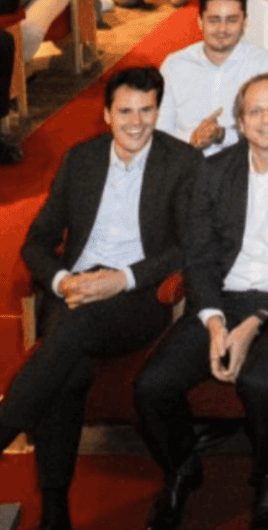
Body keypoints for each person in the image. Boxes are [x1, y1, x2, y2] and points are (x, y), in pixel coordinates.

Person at [133, 73, 268, 530]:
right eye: (255, 111)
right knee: (153, 385)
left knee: (263, 382)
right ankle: (183, 467)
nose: (265, 119)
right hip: (222, 299)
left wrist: (255, 324)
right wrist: (212, 320)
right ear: (241, 122)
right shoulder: (213, 170)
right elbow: (200, 254)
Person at [0, 68, 199, 530]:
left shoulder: (183, 162)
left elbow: (188, 246)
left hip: (137, 297)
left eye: (146, 110)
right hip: (73, 291)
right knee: (67, 370)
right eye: (125, 110)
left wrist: (123, 279)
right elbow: (36, 242)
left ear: (158, 110)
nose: (136, 121)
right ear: (106, 113)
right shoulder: (80, 159)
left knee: (69, 334)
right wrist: (64, 281)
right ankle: (55, 511)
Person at [159, 0, 268, 154]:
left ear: (245, 23)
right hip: (185, 161)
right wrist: (192, 138)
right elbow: (160, 130)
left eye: (232, 20)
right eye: (214, 20)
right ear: (200, 22)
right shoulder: (174, 65)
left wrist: (222, 135)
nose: (222, 29)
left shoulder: (265, 66)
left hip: (244, 163)